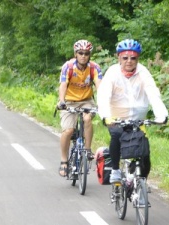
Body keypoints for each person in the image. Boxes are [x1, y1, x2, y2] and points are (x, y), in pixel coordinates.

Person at [97, 39, 168, 183]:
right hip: (117, 118)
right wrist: (105, 116)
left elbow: (153, 93)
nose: (129, 61)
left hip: (137, 119)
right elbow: (104, 95)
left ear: (138, 58)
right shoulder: (112, 73)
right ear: (119, 58)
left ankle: (141, 184)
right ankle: (116, 170)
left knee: (145, 154)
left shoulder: (143, 72)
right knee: (116, 136)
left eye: (133, 58)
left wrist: (161, 115)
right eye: (125, 58)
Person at [57, 39, 102, 177]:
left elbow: (100, 85)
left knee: (87, 119)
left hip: (86, 101)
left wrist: (102, 102)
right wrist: (61, 101)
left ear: (90, 55)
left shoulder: (94, 68)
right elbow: (63, 85)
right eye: (80, 53)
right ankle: (64, 161)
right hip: (69, 101)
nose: (83, 55)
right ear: (75, 53)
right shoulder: (69, 67)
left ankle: (87, 150)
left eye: (86, 53)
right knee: (68, 130)